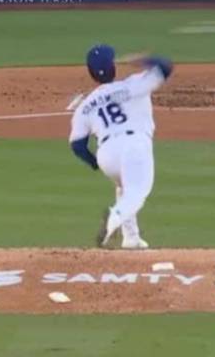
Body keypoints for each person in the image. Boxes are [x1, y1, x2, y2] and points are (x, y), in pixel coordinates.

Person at [71, 44, 173, 250]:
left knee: (124, 187)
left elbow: (78, 145)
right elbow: (165, 66)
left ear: (91, 73)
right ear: (113, 67)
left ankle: (131, 238)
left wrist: (95, 163)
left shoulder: (84, 106)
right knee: (137, 192)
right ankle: (113, 218)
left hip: (107, 154)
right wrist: (142, 60)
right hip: (134, 145)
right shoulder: (134, 84)